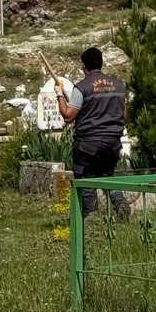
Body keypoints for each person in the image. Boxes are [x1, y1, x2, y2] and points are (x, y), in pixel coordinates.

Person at [54, 47, 129, 220]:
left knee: (85, 178)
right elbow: (123, 114)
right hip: (113, 142)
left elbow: (68, 116)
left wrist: (59, 93)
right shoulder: (119, 86)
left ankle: (92, 215)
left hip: (88, 142)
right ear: (101, 63)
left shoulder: (82, 88)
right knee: (107, 176)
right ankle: (120, 203)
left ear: (83, 66)